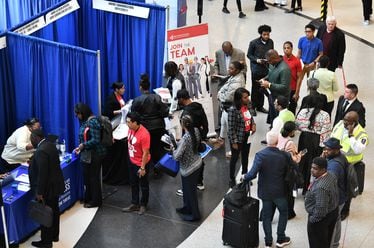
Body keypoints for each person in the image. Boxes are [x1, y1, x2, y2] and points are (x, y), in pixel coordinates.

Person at [242, 131, 291, 248]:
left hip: (266, 191)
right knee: (284, 212)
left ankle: (268, 241)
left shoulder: (260, 155)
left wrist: (244, 176)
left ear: (267, 141)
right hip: (280, 191)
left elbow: (252, 174)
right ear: (277, 141)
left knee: (266, 216)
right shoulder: (284, 155)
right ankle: (281, 238)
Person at [29, 129, 65, 248]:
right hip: (56, 185)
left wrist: (39, 192)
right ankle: (54, 235)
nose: (31, 141)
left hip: (47, 189)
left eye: (31, 138)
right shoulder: (50, 145)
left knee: (46, 214)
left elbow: (42, 174)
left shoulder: (40, 151)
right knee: (54, 211)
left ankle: (46, 242)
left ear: (37, 138)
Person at [330, 111, 368, 220]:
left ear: (354, 122)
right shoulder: (340, 124)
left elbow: (358, 149)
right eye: (344, 119)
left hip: (350, 164)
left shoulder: (361, 134)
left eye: (348, 121)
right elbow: (333, 135)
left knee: (347, 188)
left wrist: (351, 136)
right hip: (337, 160)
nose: (345, 122)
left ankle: (345, 210)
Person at [131, 73, 169, 174]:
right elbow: (165, 112)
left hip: (145, 129)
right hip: (158, 127)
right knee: (157, 148)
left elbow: (133, 116)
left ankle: (145, 169)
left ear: (140, 87)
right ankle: (157, 170)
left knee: (145, 149)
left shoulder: (137, 100)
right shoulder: (157, 97)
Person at [295, 95, 331, 194]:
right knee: (313, 164)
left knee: (302, 161)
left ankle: (298, 184)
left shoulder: (303, 112)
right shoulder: (325, 115)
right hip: (316, 141)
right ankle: (308, 188)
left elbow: (297, 125)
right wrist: (322, 146)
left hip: (304, 139)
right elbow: (326, 131)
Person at [74, 103, 106, 208]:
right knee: (88, 178)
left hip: (95, 154)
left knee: (93, 178)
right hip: (88, 154)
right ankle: (89, 198)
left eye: (78, 114)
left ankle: (95, 201)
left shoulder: (93, 122)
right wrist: (81, 147)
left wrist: (83, 145)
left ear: (83, 113)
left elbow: (96, 140)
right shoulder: (85, 122)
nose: (77, 116)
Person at [211, 61, 246, 158]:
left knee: (231, 130)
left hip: (231, 108)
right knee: (223, 124)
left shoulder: (238, 81)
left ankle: (235, 151)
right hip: (227, 107)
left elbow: (227, 97)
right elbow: (224, 88)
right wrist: (220, 93)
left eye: (231, 68)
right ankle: (221, 140)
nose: (229, 70)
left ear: (237, 70)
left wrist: (219, 95)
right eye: (229, 68)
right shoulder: (234, 76)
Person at [177, 89, 208, 191]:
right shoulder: (199, 106)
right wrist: (203, 137)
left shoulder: (186, 113)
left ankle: (188, 187)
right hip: (200, 138)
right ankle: (199, 182)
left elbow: (185, 130)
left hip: (189, 140)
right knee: (199, 161)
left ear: (181, 99)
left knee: (188, 164)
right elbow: (205, 123)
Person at [173, 115, 203, 221]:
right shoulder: (195, 131)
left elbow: (177, 156)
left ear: (182, 124)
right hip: (197, 163)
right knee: (187, 190)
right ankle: (187, 208)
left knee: (190, 192)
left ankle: (195, 214)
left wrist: (173, 148)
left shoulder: (185, 138)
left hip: (188, 168)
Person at [305, 157, 339, 248]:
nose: (312, 170)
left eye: (315, 169)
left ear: (323, 170)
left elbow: (321, 209)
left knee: (317, 243)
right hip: (332, 211)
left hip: (320, 219)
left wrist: (312, 220)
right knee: (326, 240)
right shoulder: (331, 175)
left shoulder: (321, 187)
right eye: (312, 167)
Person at [122, 112, 151, 215]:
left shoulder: (144, 134)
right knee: (133, 183)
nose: (127, 124)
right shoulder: (131, 128)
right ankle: (135, 203)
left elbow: (145, 153)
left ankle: (143, 204)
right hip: (132, 161)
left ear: (135, 123)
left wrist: (142, 168)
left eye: (129, 122)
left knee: (143, 185)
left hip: (141, 163)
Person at [321, 137, 349, 248]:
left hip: (335, 199)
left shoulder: (333, 166)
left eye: (328, 149)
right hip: (342, 196)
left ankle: (331, 244)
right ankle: (335, 244)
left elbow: (327, 184)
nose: (325, 151)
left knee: (331, 224)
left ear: (336, 150)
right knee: (336, 221)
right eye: (325, 148)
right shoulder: (341, 156)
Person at [213, 41, 247, 131]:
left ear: (232, 48)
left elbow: (244, 70)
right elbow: (216, 64)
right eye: (224, 52)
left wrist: (234, 75)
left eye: (228, 52)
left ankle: (231, 127)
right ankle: (220, 125)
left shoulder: (240, 54)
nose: (226, 53)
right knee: (220, 106)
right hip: (222, 82)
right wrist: (216, 72)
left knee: (232, 106)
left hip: (234, 82)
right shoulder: (219, 53)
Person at [227, 88, 256, 188]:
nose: (247, 99)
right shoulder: (233, 110)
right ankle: (231, 178)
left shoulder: (248, 105)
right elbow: (231, 128)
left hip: (247, 136)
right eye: (245, 97)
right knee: (234, 158)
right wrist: (234, 142)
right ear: (239, 99)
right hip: (238, 138)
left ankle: (245, 176)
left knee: (245, 157)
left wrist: (253, 124)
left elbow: (251, 116)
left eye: (248, 96)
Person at [102, 81, 128, 185]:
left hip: (120, 122)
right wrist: (120, 111)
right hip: (113, 124)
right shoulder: (111, 98)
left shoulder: (120, 97)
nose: (124, 90)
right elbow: (107, 112)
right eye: (122, 88)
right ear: (117, 89)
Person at [277, 121, 302, 219]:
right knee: (291, 193)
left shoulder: (279, 136)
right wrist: (299, 155)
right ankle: (289, 212)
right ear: (292, 132)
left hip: (279, 168)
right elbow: (294, 159)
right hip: (289, 171)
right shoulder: (290, 143)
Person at [247, 25, 274, 115]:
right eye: (264, 34)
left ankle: (260, 106)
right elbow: (249, 55)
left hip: (265, 69)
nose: (266, 36)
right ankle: (253, 107)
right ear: (261, 34)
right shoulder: (253, 43)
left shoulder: (270, 42)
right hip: (256, 69)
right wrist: (257, 60)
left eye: (268, 34)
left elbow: (271, 52)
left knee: (263, 88)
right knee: (255, 88)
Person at [260, 49, 291, 126]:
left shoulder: (284, 69)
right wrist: (264, 79)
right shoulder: (272, 64)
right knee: (273, 113)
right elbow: (270, 74)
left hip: (281, 98)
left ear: (274, 58)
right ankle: (273, 126)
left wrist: (270, 85)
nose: (268, 63)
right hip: (272, 94)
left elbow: (285, 86)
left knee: (279, 117)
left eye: (269, 61)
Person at [165, 61, 186, 140]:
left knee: (174, 126)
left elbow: (175, 98)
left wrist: (171, 111)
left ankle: (176, 145)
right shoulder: (174, 77)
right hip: (177, 106)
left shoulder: (176, 81)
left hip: (176, 107)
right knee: (176, 125)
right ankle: (177, 143)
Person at [282, 41, 302, 114]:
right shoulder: (281, 59)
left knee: (292, 110)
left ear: (292, 49)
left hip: (292, 89)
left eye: (288, 48)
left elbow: (300, 78)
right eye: (284, 48)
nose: (286, 50)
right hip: (282, 88)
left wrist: (297, 93)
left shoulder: (297, 61)